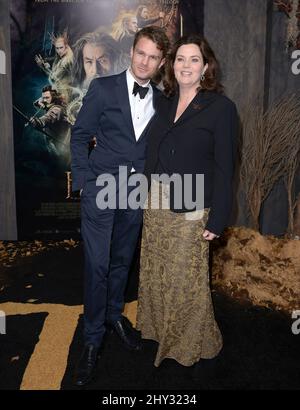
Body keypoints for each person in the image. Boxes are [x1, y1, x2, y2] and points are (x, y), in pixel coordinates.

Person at [70, 26, 169, 386]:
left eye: (153, 57)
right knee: (97, 265)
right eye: (141, 53)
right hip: (101, 188)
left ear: (160, 63)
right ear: (132, 52)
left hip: (135, 193)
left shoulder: (162, 101)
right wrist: (83, 183)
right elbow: (80, 135)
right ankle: (92, 339)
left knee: (122, 261)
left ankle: (114, 316)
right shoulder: (103, 88)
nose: (145, 61)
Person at [136, 35, 238, 372]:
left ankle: (190, 344)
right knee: (155, 273)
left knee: (185, 279)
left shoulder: (221, 108)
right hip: (156, 201)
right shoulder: (163, 103)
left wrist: (217, 218)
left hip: (193, 206)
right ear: (171, 65)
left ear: (206, 66)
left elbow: (226, 168)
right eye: (180, 59)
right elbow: (151, 149)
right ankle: (155, 329)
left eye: (194, 60)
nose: (186, 66)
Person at [30, 85, 70, 164]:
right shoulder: (50, 105)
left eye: (47, 98)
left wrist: (38, 122)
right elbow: (36, 103)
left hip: (61, 149)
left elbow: (48, 117)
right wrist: (40, 101)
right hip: (54, 146)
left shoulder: (57, 109)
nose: (44, 100)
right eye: (43, 98)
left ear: (54, 98)